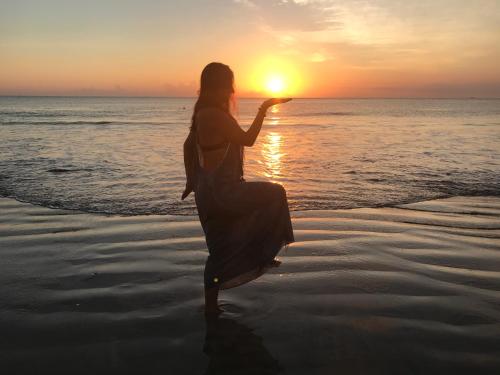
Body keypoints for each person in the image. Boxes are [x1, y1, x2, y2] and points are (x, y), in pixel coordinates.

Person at [182, 62, 295, 315]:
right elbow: (249, 139)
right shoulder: (215, 115)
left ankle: (211, 307)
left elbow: (188, 146)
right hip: (225, 194)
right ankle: (262, 253)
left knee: (218, 250)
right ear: (218, 86)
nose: (232, 89)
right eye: (228, 83)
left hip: (208, 194)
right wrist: (264, 108)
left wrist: (192, 180)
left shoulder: (201, 114)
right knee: (276, 194)